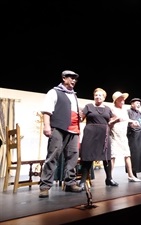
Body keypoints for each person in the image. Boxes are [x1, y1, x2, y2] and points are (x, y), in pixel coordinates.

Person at [39, 70, 82, 198]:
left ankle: (70, 183)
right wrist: (47, 126)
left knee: (73, 157)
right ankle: (45, 186)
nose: (74, 80)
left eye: (75, 79)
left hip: (74, 129)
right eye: (71, 78)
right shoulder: (54, 92)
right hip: (58, 127)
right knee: (53, 156)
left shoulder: (73, 95)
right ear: (64, 78)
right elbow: (47, 110)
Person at [78, 88, 120, 189]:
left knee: (107, 157)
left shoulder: (108, 109)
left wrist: (113, 122)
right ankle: (82, 181)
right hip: (90, 134)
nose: (98, 97)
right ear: (94, 97)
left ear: (104, 97)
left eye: (100, 95)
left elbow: (113, 119)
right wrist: (78, 111)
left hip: (103, 134)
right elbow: (81, 118)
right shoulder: (89, 106)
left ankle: (109, 179)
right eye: (96, 95)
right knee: (87, 157)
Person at [110, 91, 141, 182]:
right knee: (113, 155)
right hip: (114, 134)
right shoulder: (112, 109)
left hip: (123, 135)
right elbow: (110, 122)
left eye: (123, 98)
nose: (123, 100)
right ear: (116, 100)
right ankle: (110, 177)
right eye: (120, 98)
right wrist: (116, 120)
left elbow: (127, 122)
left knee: (127, 154)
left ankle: (130, 175)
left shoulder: (124, 110)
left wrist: (133, 124)